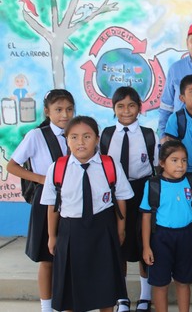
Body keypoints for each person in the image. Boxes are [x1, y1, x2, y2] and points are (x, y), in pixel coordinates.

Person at [41, 116, 134, 312]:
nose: (80, 142)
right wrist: (52, 236)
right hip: (71, 231)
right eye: (73, 137)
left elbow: (122, 198)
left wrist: (121, 229)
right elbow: (52, 205)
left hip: (103, 229)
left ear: (97, 139)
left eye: (86, 136)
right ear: (67, 140)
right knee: (71, 289)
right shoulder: (57, 168)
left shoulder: (109, 165)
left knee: (105, 286)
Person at [7, 89, 74, 312]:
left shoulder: (77, 133)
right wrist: (41, 178)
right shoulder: (36, 136)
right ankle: (47, 307)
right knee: (47, 258)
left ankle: (67, 303)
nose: (64, 114)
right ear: (47, 112)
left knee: (70, 256)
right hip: (45, 202)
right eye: (58, 109)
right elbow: (12, 165)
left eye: (69, 109)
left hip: (74, 202)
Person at [100, 86, 159, 312]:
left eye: (132, 105)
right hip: (114, 195)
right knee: (118, 244)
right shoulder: (106, 135)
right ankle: (122, 297)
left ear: (140, 108)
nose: (126, 111)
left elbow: (156, 168)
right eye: (121, 106)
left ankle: (145, 296)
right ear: (113, 109)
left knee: (145, 242)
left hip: (142, 192)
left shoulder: (148, 134)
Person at [140, 140, 192, 312]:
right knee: (160, 283)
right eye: (174, 160)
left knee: (183, 281)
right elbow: (146, 217)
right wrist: (146, 247)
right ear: (162, 162)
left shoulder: (191, 181)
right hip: (161, 238)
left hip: (185, 235)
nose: (180, 165)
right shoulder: (153, 185)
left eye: (184, 160)